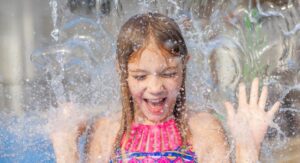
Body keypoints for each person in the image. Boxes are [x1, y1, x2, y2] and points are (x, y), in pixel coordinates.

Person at [50, 12, 281, 163]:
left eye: (169, 74)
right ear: (122, 72)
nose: (155, 87)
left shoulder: (203, 129)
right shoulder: (105, 131)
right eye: (140, 76)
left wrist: (247, 149)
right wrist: (65, 145)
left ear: (184, 67)